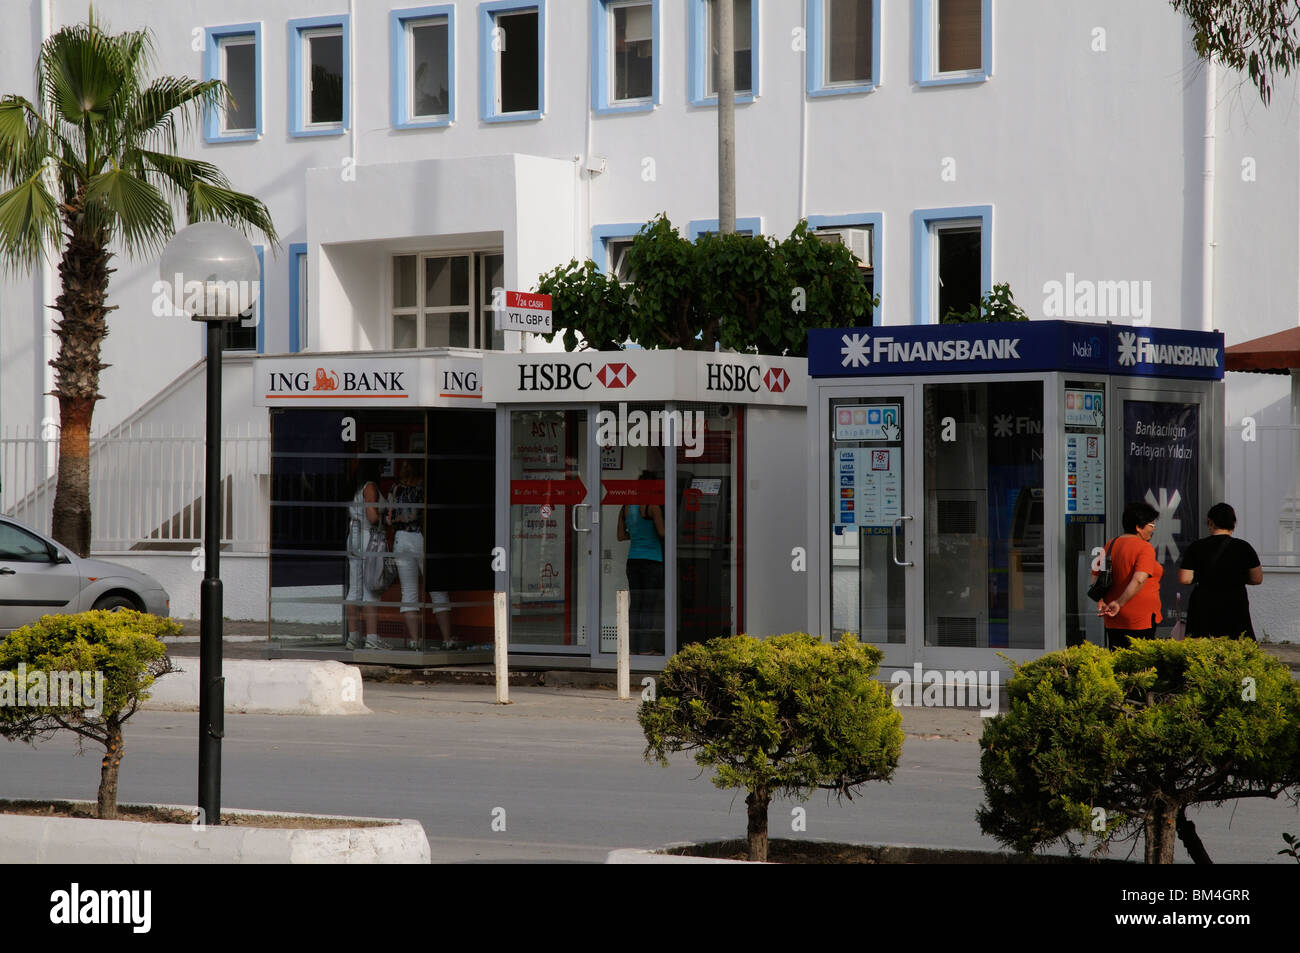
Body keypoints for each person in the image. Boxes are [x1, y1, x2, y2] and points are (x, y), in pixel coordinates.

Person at [1177, 502, 1263, 640]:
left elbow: (1184, 578)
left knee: (1202, 643)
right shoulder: (1244, 547)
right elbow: (1257, 578)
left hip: (1204, 602)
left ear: (1210, 522)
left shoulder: (1197, 547)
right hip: (1235, 601)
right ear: (1233, 523)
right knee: (1235, 642)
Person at [1093, 500, 1162, 650]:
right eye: (1151, 525)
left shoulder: (1110, 544)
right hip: (1140, 616)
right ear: (1138, 527)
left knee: (1117, 660)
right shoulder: (1145, 548)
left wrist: (1100, 601)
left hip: (1113, 617)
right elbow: (1139, 579)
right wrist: (1119, 602)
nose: (1153, 529)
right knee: (1140, 664)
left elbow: (1095, 575)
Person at [617, 473, 665, 655]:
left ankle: (632, 647)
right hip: (652, 561)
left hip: (633, 560)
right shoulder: (652, 507)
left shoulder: (626, 508)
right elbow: (662, 532)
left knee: (635, 604)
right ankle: (645, 648)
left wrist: (638, 536)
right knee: (648, 605)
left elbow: (621, 536)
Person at [345, 458, 384, 650]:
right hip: (368, 536)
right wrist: (385, 517)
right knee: (370, 589)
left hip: (353, 535)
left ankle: (353, 637)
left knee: (354, 589)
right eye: (381, 465)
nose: (383, 468)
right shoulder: (370, 487)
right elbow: (372, 516)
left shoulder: (354, 486)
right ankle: (372, 638)